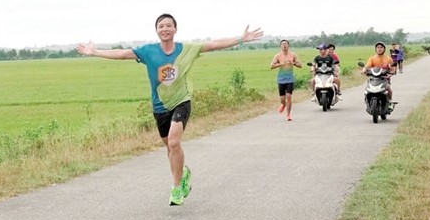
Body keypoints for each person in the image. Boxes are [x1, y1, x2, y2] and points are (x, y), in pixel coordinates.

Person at [76, 13, 264, 206]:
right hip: (160, 107)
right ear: (157, 30)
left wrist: (242, 39)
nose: (165, 29)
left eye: (168, 26)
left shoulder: (187, 49)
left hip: (181, 101)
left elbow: (214, 44)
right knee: (170, 147)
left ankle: (176, 189)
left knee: (174, 142)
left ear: (175, 29)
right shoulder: (148, 51)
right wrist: (95, 51)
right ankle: (183, 175)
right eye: (161, 26)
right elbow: (122, 54)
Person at [269, 39, 302, 121]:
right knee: (282, 99)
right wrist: (281, 64)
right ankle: (283, 105)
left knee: (289, 96)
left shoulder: (293, 55)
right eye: (283, 44)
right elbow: (271, 66)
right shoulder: (278, 56)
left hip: (290, 79)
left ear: (288, 45)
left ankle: (288, 115)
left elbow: (300, 65)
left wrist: (293, 63)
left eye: (286, 44)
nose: (284, 45)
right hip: (281, 79)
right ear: (280, 46)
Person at [362, 42, 396, 108]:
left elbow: (392, 69)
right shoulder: (372, 58)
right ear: (375, 49)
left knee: (389, 90)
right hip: (373, 78)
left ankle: (390, 102)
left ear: (384, 49)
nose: (379, 49)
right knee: (367, 89)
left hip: (384, 78)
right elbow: (367, 66)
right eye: (378, 47)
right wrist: (364, 70)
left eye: (381, 47)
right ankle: (367, 101)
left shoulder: (388, 59)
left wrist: (391, 73)